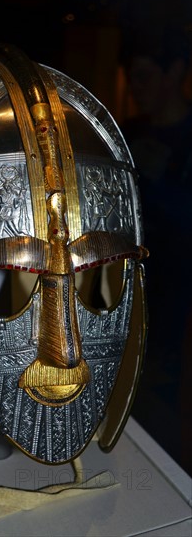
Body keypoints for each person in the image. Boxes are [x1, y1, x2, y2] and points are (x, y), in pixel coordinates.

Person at [119, 25, 192, 475]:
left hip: (181, 319)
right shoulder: (128, 133)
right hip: (131, 303)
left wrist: (159, 181)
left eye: (145, 75)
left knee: (169, 436)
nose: (137, 88)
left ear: (176, 72)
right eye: (133, 76)